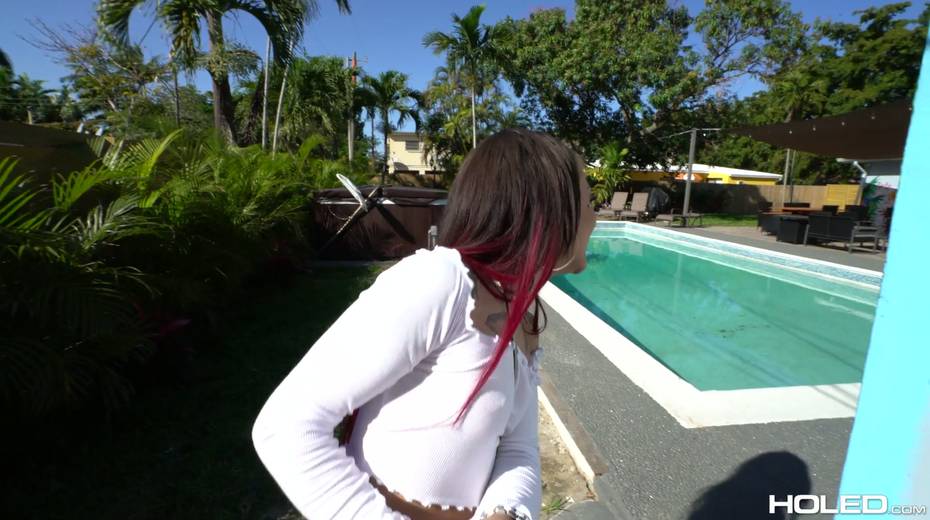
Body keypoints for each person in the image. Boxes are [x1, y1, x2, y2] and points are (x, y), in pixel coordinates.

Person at [251, 128, 597, 519]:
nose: (596, 218)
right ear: (548, 211)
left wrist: (507, 512)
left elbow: (518, 448)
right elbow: (287, 426)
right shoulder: (441, 282)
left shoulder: (523, 317)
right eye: (589, 201)